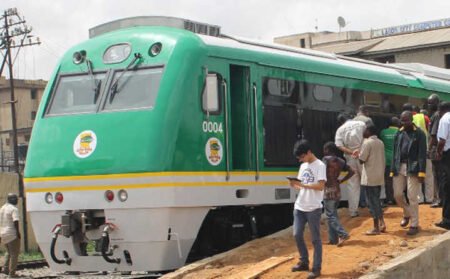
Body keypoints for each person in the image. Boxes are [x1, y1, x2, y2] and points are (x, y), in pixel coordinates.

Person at [290, 140, 326, 279]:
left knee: (316, 239)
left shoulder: (320, 165)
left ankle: (316, 268)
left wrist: (304, 186)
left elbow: (321, 186)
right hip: (300, 206)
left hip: (313, 207)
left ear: (309, 152)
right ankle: (304, 261)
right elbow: (302, 185)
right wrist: (295, 185)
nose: (301, 160)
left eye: (302, 157)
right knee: (296, 234)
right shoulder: (303, 166)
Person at [390, 111, 427, 236]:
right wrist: (392, 169)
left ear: (411, 120)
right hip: (399, 166)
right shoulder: (399, 133)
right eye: (402, 120)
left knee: (412, 196)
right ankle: (407, 213)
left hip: (413, 167)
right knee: (397, 195)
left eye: (406, 120)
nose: (404, 122)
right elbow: (395, 152)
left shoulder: (419, 134)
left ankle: (414, 224)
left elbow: (422, 154)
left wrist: (422, 172)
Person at [322, 142, 354, 246]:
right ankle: (333, 239)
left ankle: (343, 234)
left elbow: (321, 173)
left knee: (330, 215)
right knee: (333, 214)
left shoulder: (326, 160)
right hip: (337, 189)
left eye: (324, 149)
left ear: (327, 150)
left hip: (328, 190)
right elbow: (352, 171)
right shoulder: (340, 161)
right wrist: (342, 180)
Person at [335, 113, 365, 217]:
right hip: (363, 156)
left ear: (341, 122)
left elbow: (339, 145)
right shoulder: (361, 123)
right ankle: (373, 208)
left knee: (353, 184)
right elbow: (367, 137)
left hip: (350, 158)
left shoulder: (340, 129)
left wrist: (351, 152)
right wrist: (359, 150)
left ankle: (353, 211)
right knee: (368, 181)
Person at [403, 103, 434, 204]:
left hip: (413, 152)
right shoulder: (424, 117)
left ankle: (419, 198)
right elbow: (430, 131)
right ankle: (429, 198)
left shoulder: (406, 120)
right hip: (425, 149)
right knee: (428, 175)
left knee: (416, 175)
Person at [359, 125, 386, 235]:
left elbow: (362, 160)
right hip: (379, 176)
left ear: (369, 131)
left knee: (371, 202)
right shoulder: (380, 142)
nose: (363, 132)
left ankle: (376, 228)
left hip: (369, 177)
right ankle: (381, 222)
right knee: (377, 200)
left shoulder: (367, 143)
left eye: (365, 130)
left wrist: (358, 154)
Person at [434, 102, 450, 230]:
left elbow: (442, 140)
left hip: (447, 156)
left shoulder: (445, 119)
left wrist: (438, 153)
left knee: (446, 187)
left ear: (441, 110)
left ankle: (447, 219)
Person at [379, 117, 401, 205]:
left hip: (386, 159)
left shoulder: (383, 132)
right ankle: (398, 198)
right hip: (398, 159)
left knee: (388, 180)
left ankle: (389, 199)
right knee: (398, 180)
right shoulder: (400, 132)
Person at [428, 94, 443, 208]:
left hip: (436, 150)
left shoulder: (436, 116)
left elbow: (433, 136)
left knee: (438, 176)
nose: (429, 105)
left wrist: (428, 150)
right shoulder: (437, 115)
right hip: (438, 150)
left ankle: (440, 199)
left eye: (431, 103)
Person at [0, 193, 21, 277]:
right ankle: (12, 274)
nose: (17, 200)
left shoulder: (2, 208)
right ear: (11, 199)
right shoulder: (14, 209)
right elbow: (15, 221)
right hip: (11, 234)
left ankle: (5, 269)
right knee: (14, 254)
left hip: (3, 234)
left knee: (8, 252)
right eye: (15, 199)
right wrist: (17, 232)